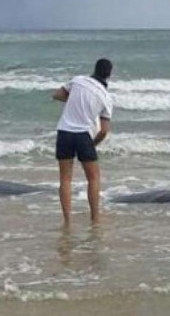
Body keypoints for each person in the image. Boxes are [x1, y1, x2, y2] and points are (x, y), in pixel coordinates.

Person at [52, 58, 113, 225]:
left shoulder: (78, 81)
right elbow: (104, 130)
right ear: (109, 75)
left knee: (65, 179)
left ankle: (67, 220)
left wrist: (73, 101)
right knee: (93, 178)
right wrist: (93, 144)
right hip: (83, 135)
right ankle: (95, 218)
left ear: (94, 69)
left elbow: (56, 94)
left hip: (64, 131)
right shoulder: (105, 97)